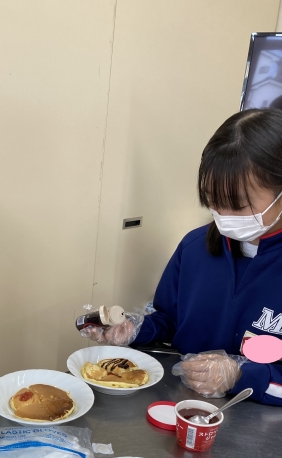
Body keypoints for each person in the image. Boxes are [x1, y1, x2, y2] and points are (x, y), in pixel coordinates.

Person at [82, 108, 282, 406]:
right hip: (179, 403)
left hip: (258, 421)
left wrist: (242, 376)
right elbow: (170, 320)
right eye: (213, 201)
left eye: (238, 205)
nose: (223, 216)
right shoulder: (195, 247)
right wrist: (135, 329)